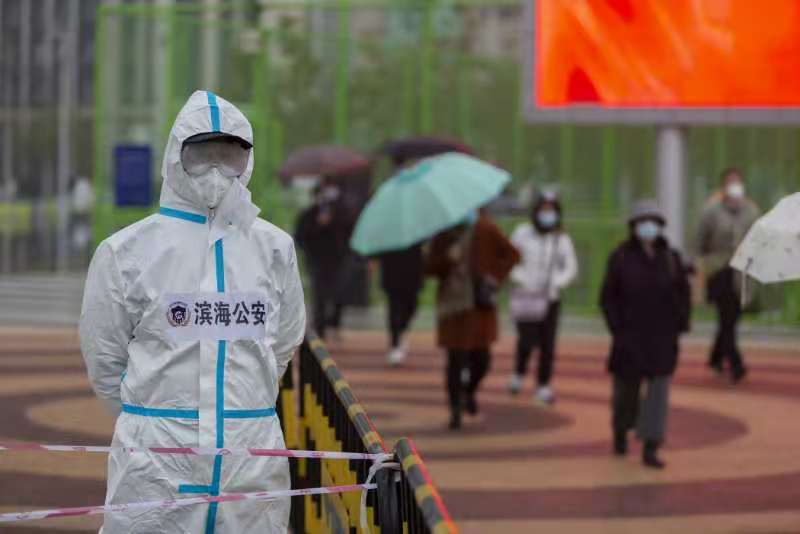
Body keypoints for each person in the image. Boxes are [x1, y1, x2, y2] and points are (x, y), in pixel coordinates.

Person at [80, 90, 306, 533]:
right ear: (175, 156)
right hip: (156, 462)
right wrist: (156, 417)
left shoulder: (274, 248)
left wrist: (243, 402)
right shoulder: (126, 252)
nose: (216, 171)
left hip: (250, 455)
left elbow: (283, 342)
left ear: (247, 160)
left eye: (230, 156)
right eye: (202, 156)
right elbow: (104, 358)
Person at [600, 200, 691, 469]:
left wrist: (679, 325)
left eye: (653, 222)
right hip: (629, 337)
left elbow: (682, 294)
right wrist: (617, 328)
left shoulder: (671, 258)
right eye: (642, 222)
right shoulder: (620, 257)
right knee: (625, 392)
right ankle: (621, 430)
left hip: (662, 338)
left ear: (660, 226)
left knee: (658, 395)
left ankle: (651, 446)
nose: (648, 226)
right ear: (633, 226)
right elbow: (607, 297)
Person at [426, 210, 520, 430]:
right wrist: (447, 259)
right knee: (455, 360)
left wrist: (494, 277)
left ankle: (468, 392)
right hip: (453, 306)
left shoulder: (486, 228)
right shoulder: (443, 234)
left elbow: (512, 254)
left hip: (479, 305)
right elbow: (429, 267)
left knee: (482, 359)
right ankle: (455, 409)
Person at [507, 190, 578, 404]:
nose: (547, 214)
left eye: (551, 210)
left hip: (550, 298)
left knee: (548, 343)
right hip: (526, 295)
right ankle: (518, 373)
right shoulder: (522, 233)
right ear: (535, 211)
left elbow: (570, 267)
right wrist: (520, 278)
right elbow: (509, 259)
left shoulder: (561, 238)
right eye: (543, 209)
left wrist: (556, 282)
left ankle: (543, 385)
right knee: (526, 339)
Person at [697, 167, 760, 383]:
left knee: (730, 320)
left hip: (742, 272)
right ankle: (736, 364)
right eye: (730, 182)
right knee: (727, 317)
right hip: (719, 271)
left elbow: (758, 238)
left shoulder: (751, 211)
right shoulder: (711, 211)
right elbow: (701, 241)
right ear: (723, 186)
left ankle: (715, 356)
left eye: (737, 182)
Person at [295, 179, 347, 340]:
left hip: (337, 260)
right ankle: (320, 328)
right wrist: (318, 226)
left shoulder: (340, 213)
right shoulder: (308, 215)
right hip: (316, 260)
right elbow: (301, 236)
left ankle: (335, 324)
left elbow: (346, 234)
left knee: (339, 293)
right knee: (319, 295)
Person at [377, 244, 424, 366]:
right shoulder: (388, 239)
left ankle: (401, 330)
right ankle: (395, 343)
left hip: (412, 276)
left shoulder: (415, 238)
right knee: (394, 309)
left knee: (412, 307)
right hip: (392, 275)